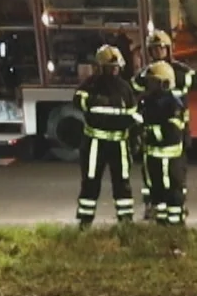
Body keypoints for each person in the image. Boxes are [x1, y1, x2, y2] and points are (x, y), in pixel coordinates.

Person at [74, 45, 141, 227]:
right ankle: (85, 220)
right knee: (90, 181)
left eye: (117, 67)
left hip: (119, 144)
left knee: (122, 183)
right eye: (111, 67)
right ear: (101, 67)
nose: (115, 70)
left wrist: (135, 138)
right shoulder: (92, 85)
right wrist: (93, 101)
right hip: (95, 144)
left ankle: (125, 220)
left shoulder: (124, 88)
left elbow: (133, 115)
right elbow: (78, 99)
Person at [138, 62, 189, 226]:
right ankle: (161, 225)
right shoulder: (148, 101)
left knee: (173, 194)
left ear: (164, 83)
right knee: (156, 194)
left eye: (153, 82)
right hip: (153, 158)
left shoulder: (173, 104)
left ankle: (175, 227)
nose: (149, 85)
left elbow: (172, 133)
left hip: (170, 160)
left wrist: (149, 132)